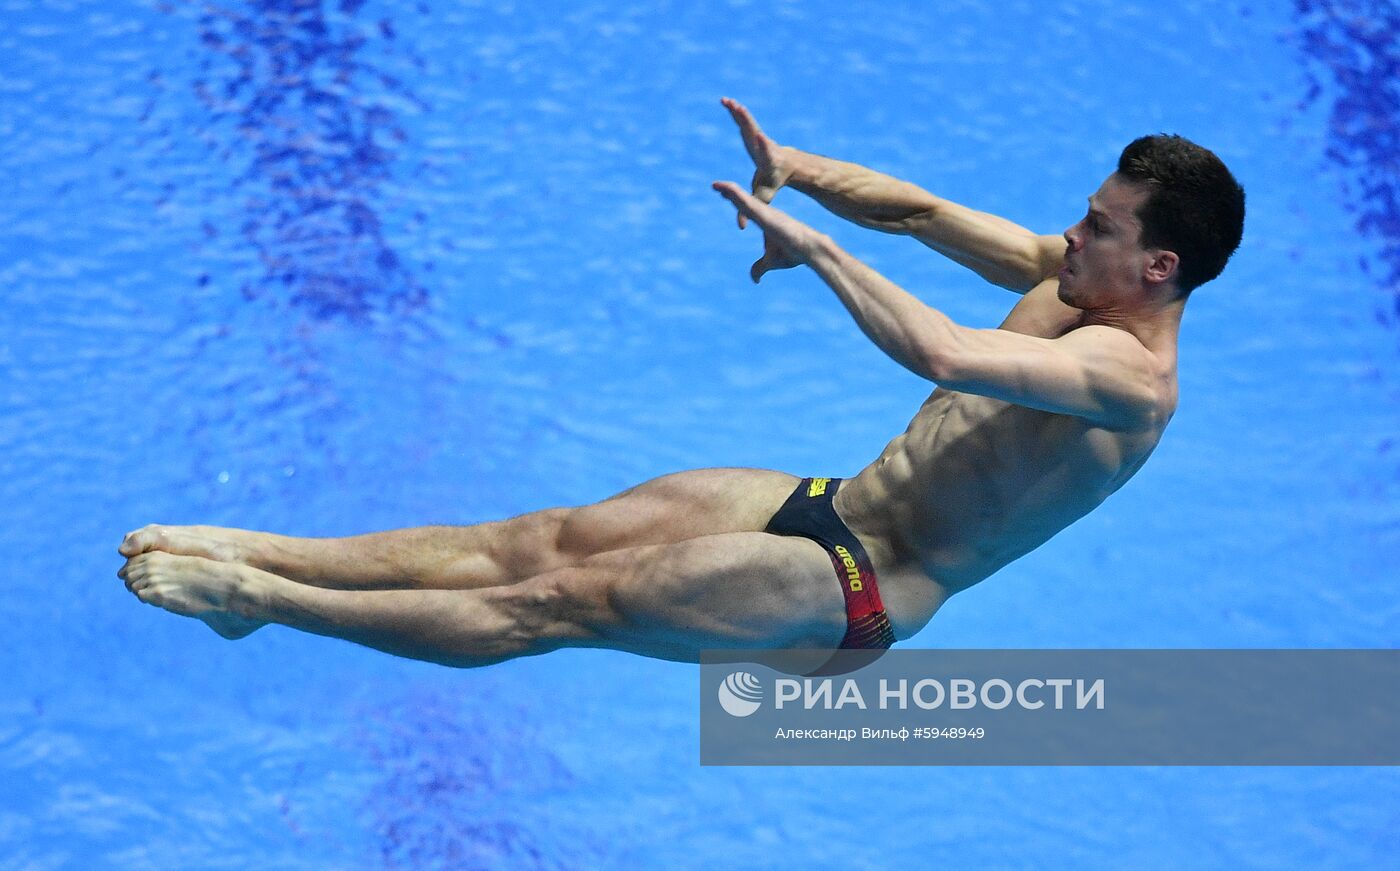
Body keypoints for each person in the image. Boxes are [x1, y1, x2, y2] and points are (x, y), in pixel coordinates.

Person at [117, 98, 1245, 670]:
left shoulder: (1128, 378)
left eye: (1098, 226)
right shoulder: (1072, 277)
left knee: (552, 604)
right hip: (832, 503)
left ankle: (262, 601)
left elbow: (944, 352)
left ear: (1158, 267)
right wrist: (800, 173)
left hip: (858, 585)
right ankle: (265, 554)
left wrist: (815, 249)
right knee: (538, 540)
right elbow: (918, 212)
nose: (1068, 233)